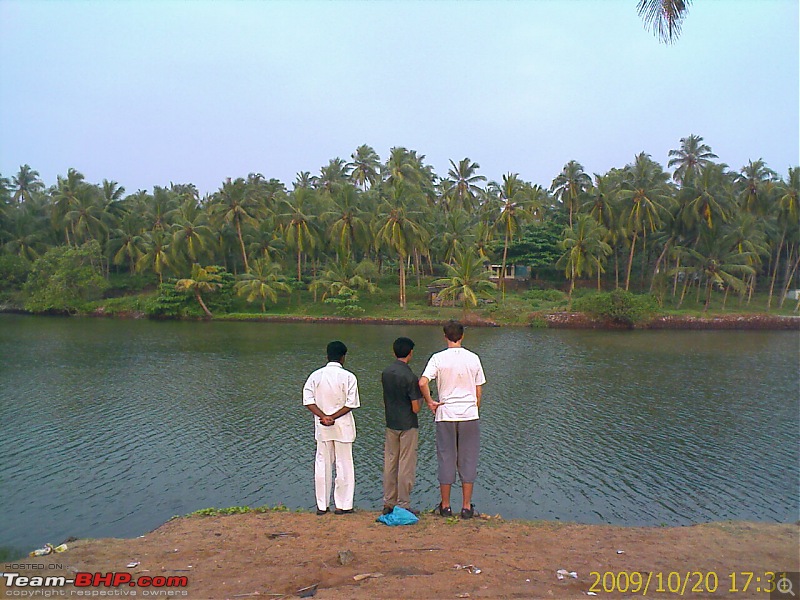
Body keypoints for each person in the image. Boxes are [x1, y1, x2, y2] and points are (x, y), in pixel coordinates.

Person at [419, 320, 486, 519]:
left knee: (446, 457)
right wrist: (475, 407)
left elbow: (422, 382)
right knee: (468, 458)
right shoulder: (473, 358)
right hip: (468, 415)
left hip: (445, 414)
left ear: (445, 336)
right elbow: (478, 389)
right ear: (462, 336)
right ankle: (466, 507)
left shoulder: (438, 358)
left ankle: (446, 506)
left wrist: (430, 401)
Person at [302, 340, 360, 515]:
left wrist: (323, 416)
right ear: (343, 358)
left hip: (322, 427)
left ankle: (322, 505)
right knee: (344, 465)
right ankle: (343, 505)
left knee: (322, 464)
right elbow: (351, 403)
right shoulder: (349, 377)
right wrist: (333, 417)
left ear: (327, 356)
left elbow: (308, 400)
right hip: (342, 427)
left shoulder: (315, 376)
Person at [381, 336, 423, 515]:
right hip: (408, 425)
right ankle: (403, 503)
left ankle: (388, 501)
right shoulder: (410, 376)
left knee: (390, 462)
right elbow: (415, 408)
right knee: (405, 464)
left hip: (391, 422)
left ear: (394, 352)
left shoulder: (386, 373)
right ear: (410, 353)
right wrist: (421, 398)